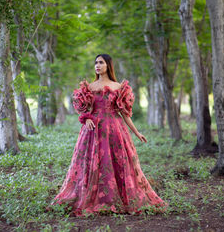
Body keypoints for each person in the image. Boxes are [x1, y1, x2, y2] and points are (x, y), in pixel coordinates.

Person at [51, 54, 166, 216]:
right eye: (96, 63)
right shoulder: (89, 87)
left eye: (101, 62)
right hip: (93, 131)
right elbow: (84, 111)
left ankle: (119, 198)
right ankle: (94, 198)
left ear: (108, 65)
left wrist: (137, 132)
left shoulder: (118, 87)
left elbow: (125, 114)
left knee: (118, 162)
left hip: (114, 129)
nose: (97, 65)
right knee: (93, 163)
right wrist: (85, 119)